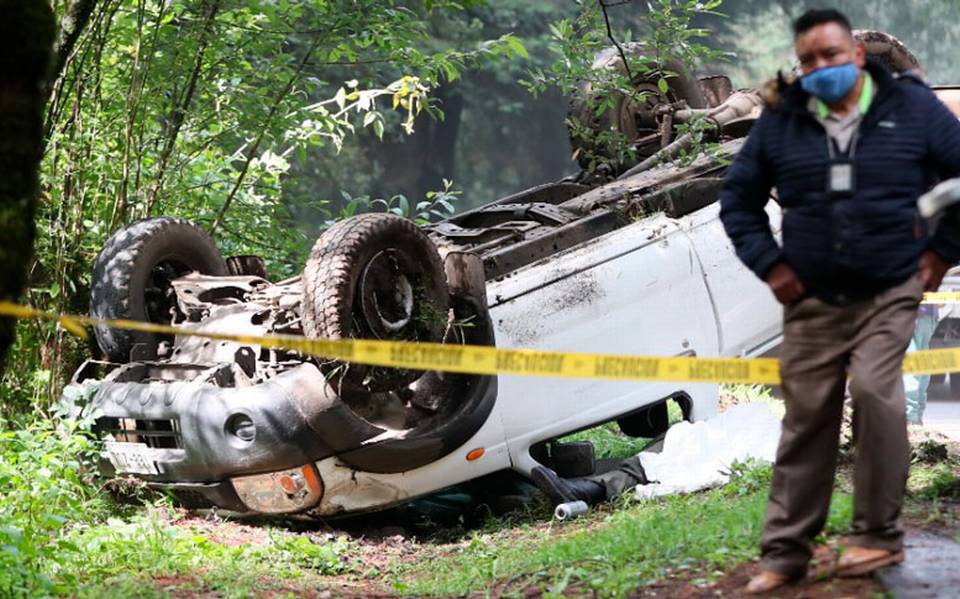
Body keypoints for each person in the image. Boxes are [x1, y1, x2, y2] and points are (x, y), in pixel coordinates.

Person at [720, 8, 960, 594]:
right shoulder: (782, 119)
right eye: (808, 61)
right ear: (798, 66)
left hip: (891, 286)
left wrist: (940, 255)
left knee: (879, 395)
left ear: (855, 55)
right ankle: (785, 553)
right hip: (812, 295)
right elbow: (738, 201)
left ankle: (875, 537)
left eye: (831, 55)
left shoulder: (911, 107)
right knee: (807, 420)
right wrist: (770, 266)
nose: (820, 68)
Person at [905, 304, 940, 424]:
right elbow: (941, 303)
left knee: (914, 369)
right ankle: (915, 418)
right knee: (920, 370)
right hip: (927, 318)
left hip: (914, 317)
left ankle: (911, 419)